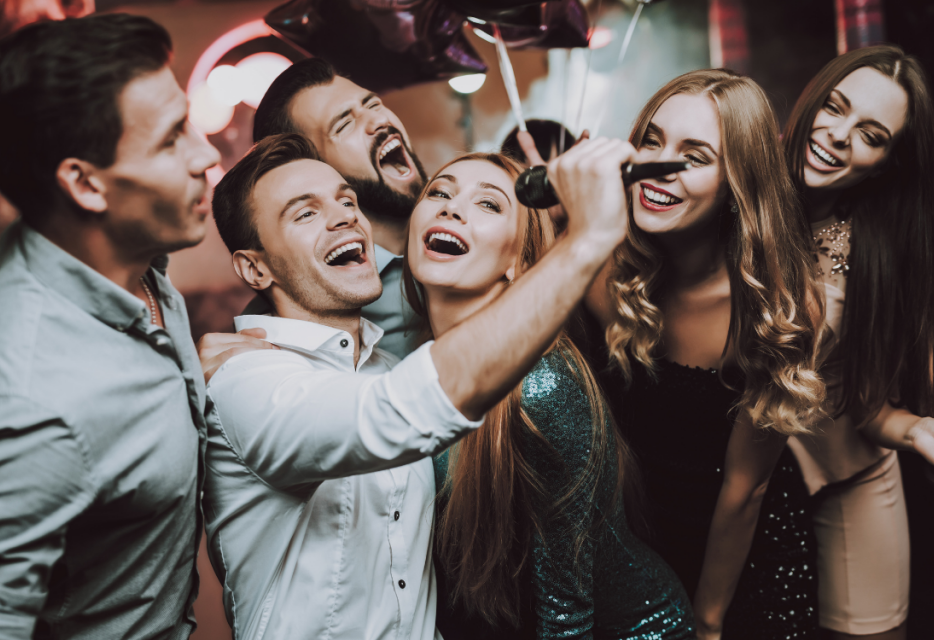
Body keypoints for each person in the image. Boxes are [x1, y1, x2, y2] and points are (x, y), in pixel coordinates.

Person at [199, 132, 638, 640]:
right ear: (254, 266)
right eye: (305, 213)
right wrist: (585, 241)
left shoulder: (392, 366)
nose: (344, 216)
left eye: (347, 200)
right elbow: (389, 413)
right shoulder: (247, 381)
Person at [0, 14, 220, 639]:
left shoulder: (125, 257)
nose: (206, 154)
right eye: (173, 137)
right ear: (84, 183)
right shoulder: (26, 407)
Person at [401, 151, 696, 639]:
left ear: (519, 260)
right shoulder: (411, 372)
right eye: (440, 192)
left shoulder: (543, 388)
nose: (452, 209)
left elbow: (567, 613)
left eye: (489, 205)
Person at [582, 69, 827, 639]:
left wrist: (710, 623)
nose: (658, 167)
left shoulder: (775, 307)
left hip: (736, 551)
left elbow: (747, 488)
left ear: (737, 182)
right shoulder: (597, 266)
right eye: (651, 141)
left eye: (693, 156)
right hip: (631, 535)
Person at [782, 45, 934, 640]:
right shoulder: (728, 199)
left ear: (885, 164)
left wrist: (913, 429)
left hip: (847, 474)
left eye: (870, 134)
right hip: (730, 478)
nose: (837, 135)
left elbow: (864, 406)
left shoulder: (873, 256)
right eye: (833, 108)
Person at [240, 57, 427, 357]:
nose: (380, 121)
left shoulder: (468, 225)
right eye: (345, 123)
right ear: (310, 171)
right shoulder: (284, 314)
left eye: (373, 104)